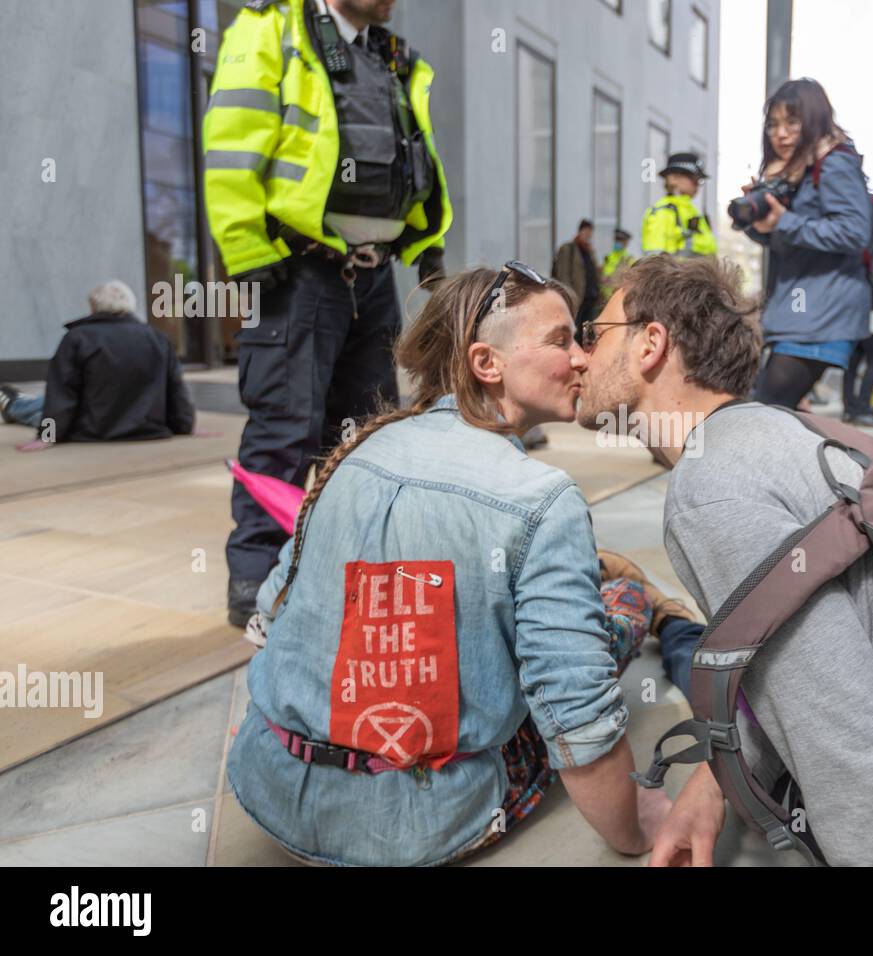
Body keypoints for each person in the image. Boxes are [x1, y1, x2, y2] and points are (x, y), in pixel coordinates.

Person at [227, 264, 681, 866]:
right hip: (415, 825)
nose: (582, 359)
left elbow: (270, 613)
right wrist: (639, 830)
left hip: (273, 789)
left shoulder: (360, 447)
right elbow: (576, 712)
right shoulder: (540, 498)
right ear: (486, 363)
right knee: (622, 603)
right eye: (561, 339)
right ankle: (631, 595)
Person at [575, 255, 873, 865]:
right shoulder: (783, 430)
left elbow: (849, 742)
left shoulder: (713, 489)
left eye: (593, 335)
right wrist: (716, 783)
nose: (580, 357)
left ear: (650, 343)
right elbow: (791, 673)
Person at [206, 0, 453, 628]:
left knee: (367, 432)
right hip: (297, 271)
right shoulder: (272, 30)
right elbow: (232, 144)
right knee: (284, 428)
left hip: (371, 278)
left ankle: (349, 564)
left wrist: (428, 248)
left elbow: (409, 157)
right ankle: (256, 574)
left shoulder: (387, 56)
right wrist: (247, 250)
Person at [742, 78, 873, 409]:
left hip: (821, 313)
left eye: (792, 122)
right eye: (773, 124)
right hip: (800, 310)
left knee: (767, 408)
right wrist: (762, 223)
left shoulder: (834, 162)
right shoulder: (796, 172)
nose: (780, 133)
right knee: (774, 410)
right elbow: (790, 244)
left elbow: (855, 231)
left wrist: (785, 221)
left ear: (814, 121)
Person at [0, 281, 195, 443]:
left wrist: (47, 436)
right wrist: (185, 426)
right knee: (42, 405)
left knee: (42, 407)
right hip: (146, 428)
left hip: (92, 429)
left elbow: (60, 394)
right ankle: (15, 400)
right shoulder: (158, 338)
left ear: (93, 305)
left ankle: (12, 402)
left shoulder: (78, 338)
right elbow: (176, 389)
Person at [641, 152, 717, 257]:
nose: (697, 185)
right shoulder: (663, 212)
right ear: (673, 178)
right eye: (694, 179)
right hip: (681, 274)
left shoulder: (692, 211)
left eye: (699, 181)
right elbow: (655, 261)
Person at [552, 219, 602, 338]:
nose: (588, 235)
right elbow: (563, 274)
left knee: (586, 331)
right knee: (574, 329)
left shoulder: (589, 250)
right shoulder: (569, 249)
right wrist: (570, 295)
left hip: (590, 297)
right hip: (577, 297)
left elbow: (594, 272)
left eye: (590, 233)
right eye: (586, 232)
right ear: (580, 231)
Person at [600, 228, 635, 302]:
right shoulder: (608, 257)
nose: (618, 243)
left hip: (619, 297)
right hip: (605, 297)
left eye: (620, 241)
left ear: (626, 243)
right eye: (617, 240)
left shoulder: (629, 259)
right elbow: (602, 276)